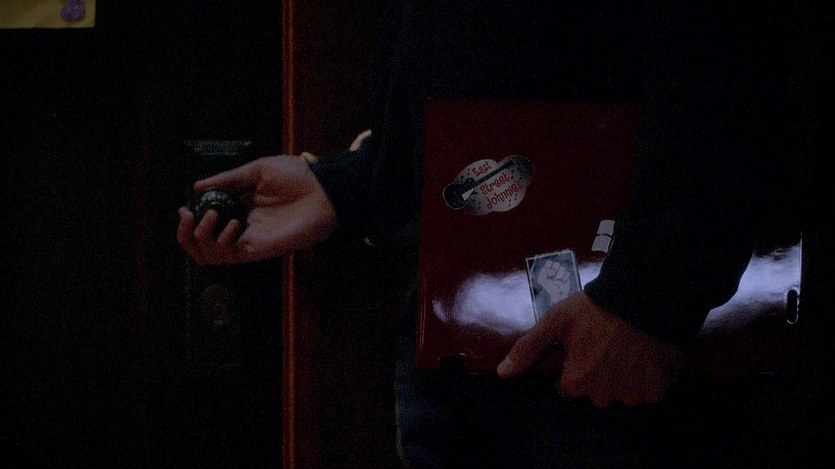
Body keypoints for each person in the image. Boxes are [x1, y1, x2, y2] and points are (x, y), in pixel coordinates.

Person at [178, 2, 821, 466]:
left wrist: (649, 296)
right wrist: (351, 185)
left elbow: (729, 60)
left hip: (619, 365)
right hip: (472, 343)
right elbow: (490, 58)